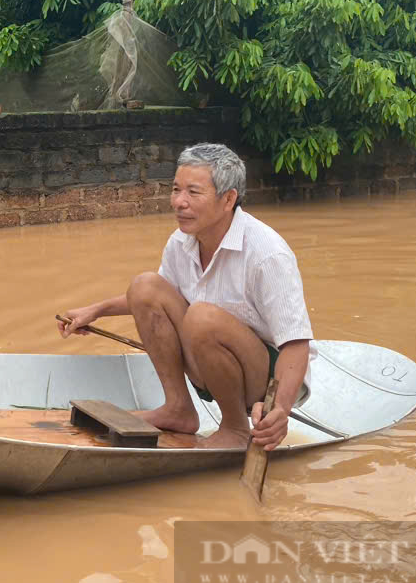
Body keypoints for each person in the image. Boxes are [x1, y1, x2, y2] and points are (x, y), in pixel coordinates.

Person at [58, 143, 313, 450]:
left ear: (228, 199)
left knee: (202, 317)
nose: (179, 202)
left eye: (193, 193)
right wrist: (96, 310)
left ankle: (234, 427)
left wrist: (280, 409)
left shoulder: (266, 253)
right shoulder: (182, 241)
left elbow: (296, 345)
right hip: (209, 359)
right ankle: (178, 407)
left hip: (267, 380)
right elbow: (158, 299)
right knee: (145, 286)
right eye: (176, 189)